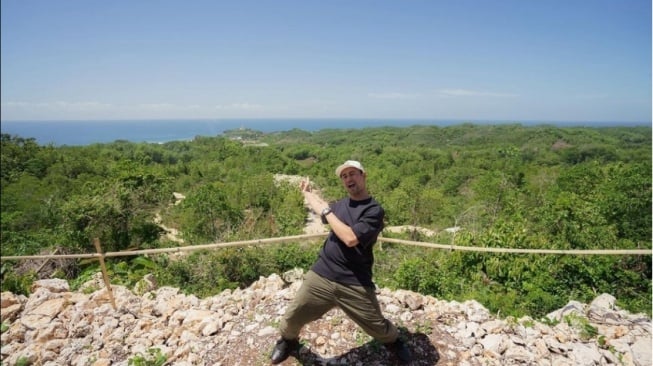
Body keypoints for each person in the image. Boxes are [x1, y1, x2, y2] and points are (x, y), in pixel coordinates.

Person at [270, 160, 412, 364]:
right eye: (344, 176)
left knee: (377, 326)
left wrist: (328, 212)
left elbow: (350, 237)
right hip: (322, 274)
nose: (348, 179)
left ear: (364, 175)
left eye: (352, 173)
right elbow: (321, 208)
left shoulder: (374, 211)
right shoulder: (338, 206)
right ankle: (288, 341)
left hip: (354, 281)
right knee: (292, 317)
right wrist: (308, 193)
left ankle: (394, 341)